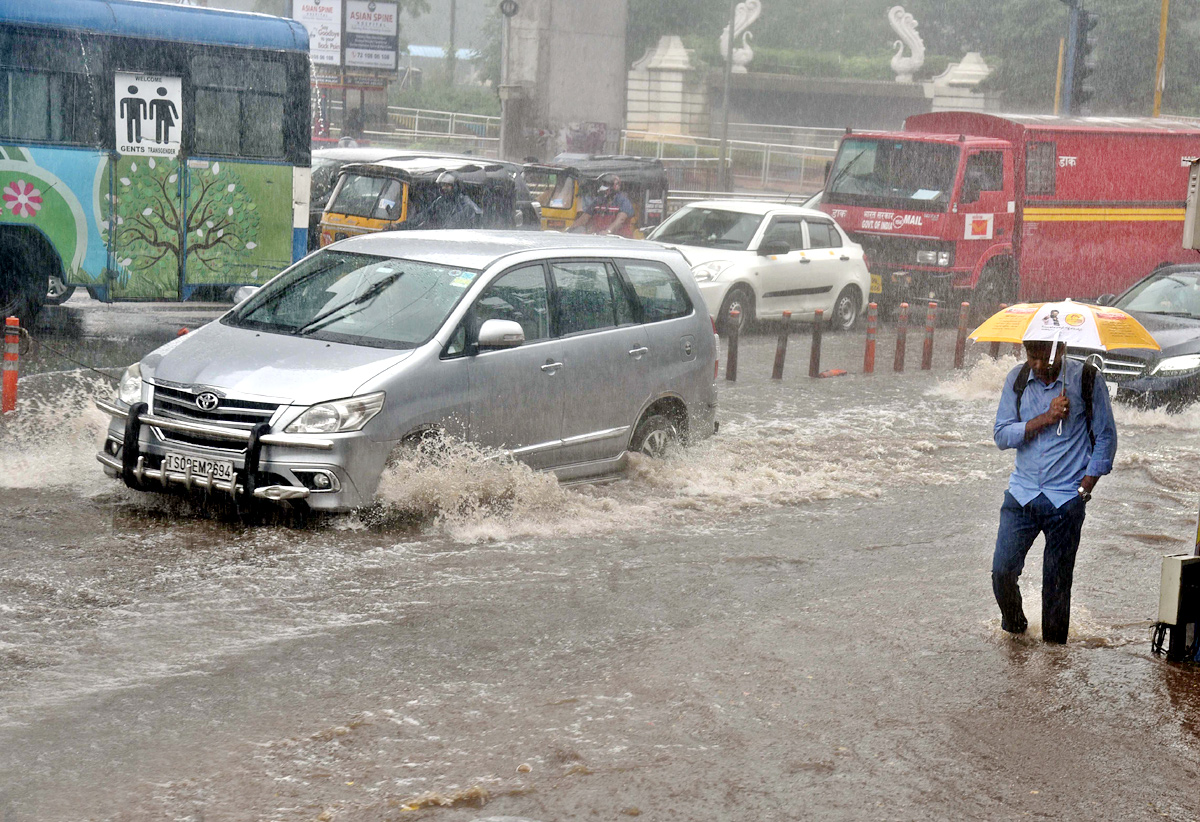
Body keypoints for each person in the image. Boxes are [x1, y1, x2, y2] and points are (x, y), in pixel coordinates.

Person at [991, 339, 1117, 644]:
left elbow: (1106, 437)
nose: (1038, 364)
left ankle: (1054, 661)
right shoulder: (1017, 379)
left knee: (1057, 586)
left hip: (1066, 499)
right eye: (1031, 356)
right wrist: (1046, 418)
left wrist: (1086, 487)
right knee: (1002, 572)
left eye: (1044, 357)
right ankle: (1016, 630)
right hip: (1022, 495)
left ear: (1060, 349)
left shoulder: (1087, 380)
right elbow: (1001, 434)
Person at [414, 172, 482, 229]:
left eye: (447, 185)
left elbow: (476, 215)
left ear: (455, 186)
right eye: (442, 185)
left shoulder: (465, 202)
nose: (444, 188)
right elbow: (424, 215)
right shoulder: (440, 201)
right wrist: (408, 224)